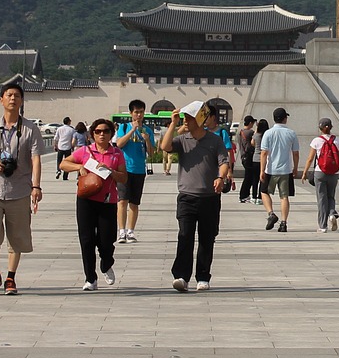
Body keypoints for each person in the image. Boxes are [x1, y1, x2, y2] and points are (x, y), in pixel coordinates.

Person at [0, 81, 44, 295]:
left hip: (20, 190)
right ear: (1, 100)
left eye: (17, 95)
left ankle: (10, 278)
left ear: (22, 101)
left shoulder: (31, 129)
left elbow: (36, 159)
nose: (13, 99)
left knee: (17, 236)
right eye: (9, 95)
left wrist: (36, 186)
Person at [162, 100, 232, 292]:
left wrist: (220, 177)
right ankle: (181, 276)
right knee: (184, 235)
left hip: (209, 197)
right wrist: (173, 124)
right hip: (186, 196)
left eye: (189, 118)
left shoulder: (215, 140)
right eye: (185, 117)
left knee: (206, 238)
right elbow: (165, 146)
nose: (186, 121)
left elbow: (224, 162)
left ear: (200, 119)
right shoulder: (182, 140)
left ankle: (203, 276)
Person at [61, 118, 127, 291]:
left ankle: (106, 263)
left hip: (107, 200)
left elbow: (124, 177)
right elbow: (63, 163)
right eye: (98, 131)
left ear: (111, 133)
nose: (102, 134)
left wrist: (111, 171)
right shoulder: (85, 151)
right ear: (92, 135)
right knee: (86, 240)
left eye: (105, 131)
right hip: (86, 199)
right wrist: (79, 167)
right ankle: (90, 278)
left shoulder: (116, 153)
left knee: (106, 240)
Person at [114, 99, 155, 244]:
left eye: (141, 112)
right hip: (124, 169)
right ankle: (121, 231)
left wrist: (147, 140)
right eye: (136, 112)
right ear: (131, 113)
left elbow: (151, 153)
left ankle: (131, 231)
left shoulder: (148, 130)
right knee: (122, 200)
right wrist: (133, 130)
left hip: (139, 170)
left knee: (134, 202)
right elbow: (118, 144)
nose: (139, 115)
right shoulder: (124, 127)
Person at [300, 117, 339, 232]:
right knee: (331, 196)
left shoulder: (316, 141)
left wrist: (305, 172)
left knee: (322, 199)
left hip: (320, 172)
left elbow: (310, 158)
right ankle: (331, 214)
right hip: (334, 173)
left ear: (320, 128)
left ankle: (323, 226)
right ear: (331, 127)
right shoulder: (338, 141)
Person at [259, 107, 300, 233]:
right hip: (286, 170)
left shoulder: (268, 133)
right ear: (285, 118)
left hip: (270, 169)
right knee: (284, 197)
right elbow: (295, 153)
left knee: (264, 192)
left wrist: (261, 170)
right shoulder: (291, 133)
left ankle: (271, 214)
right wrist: (295, 168)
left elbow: (264, 153)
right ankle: (283, 223)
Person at [236, 116, 260, 202]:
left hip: (243, 156)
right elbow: (256, 136)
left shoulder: (240, 132)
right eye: (253, 123)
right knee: (248, 177)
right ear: (250, 123)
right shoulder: (250, 132)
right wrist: (258, 128)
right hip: (249, 157)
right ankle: (244, 195)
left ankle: (244, 195)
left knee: (248, 176)